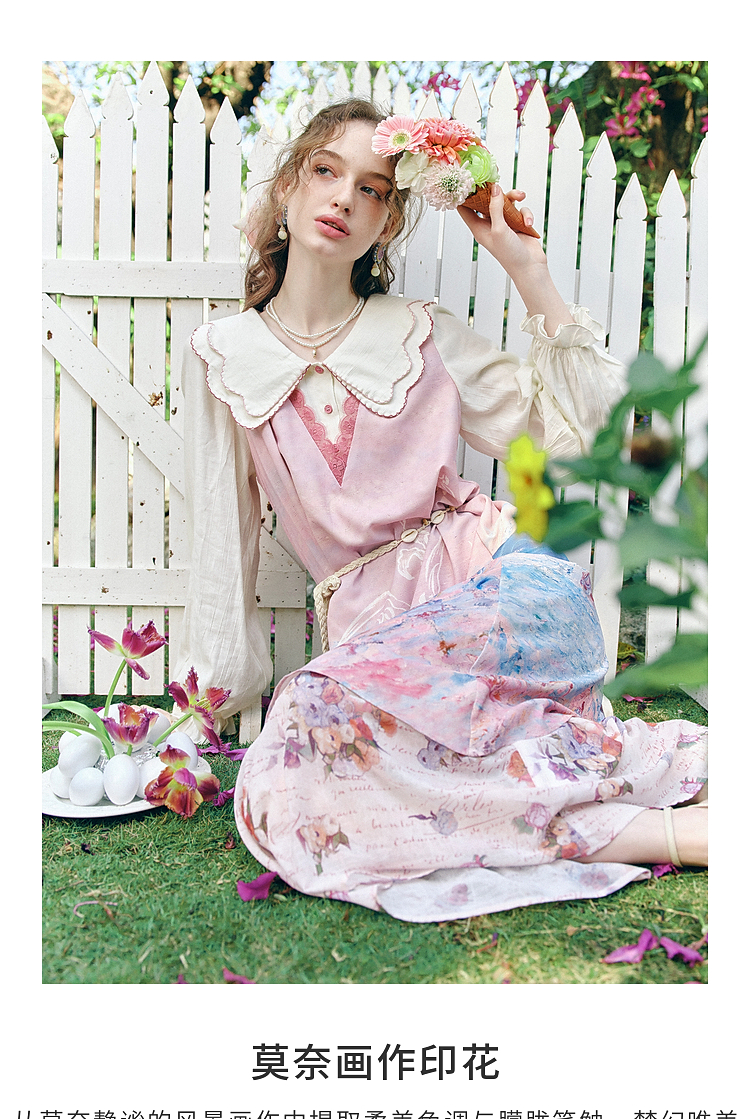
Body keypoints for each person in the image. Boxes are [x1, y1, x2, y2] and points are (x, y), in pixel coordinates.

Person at [177, 99, 707, 923]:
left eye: (372, 188)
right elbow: (224, 542)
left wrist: (525, 267)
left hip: (506, 589)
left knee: (364, 729)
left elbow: (579, 431)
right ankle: (673, 830)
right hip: (381, 642)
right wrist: (203, 705)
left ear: (388, 221)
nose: (344, 197)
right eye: (326, 171)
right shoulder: (223, 357)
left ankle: (664, 835)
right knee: (305, 737)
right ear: (288, 186)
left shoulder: (420, 333)